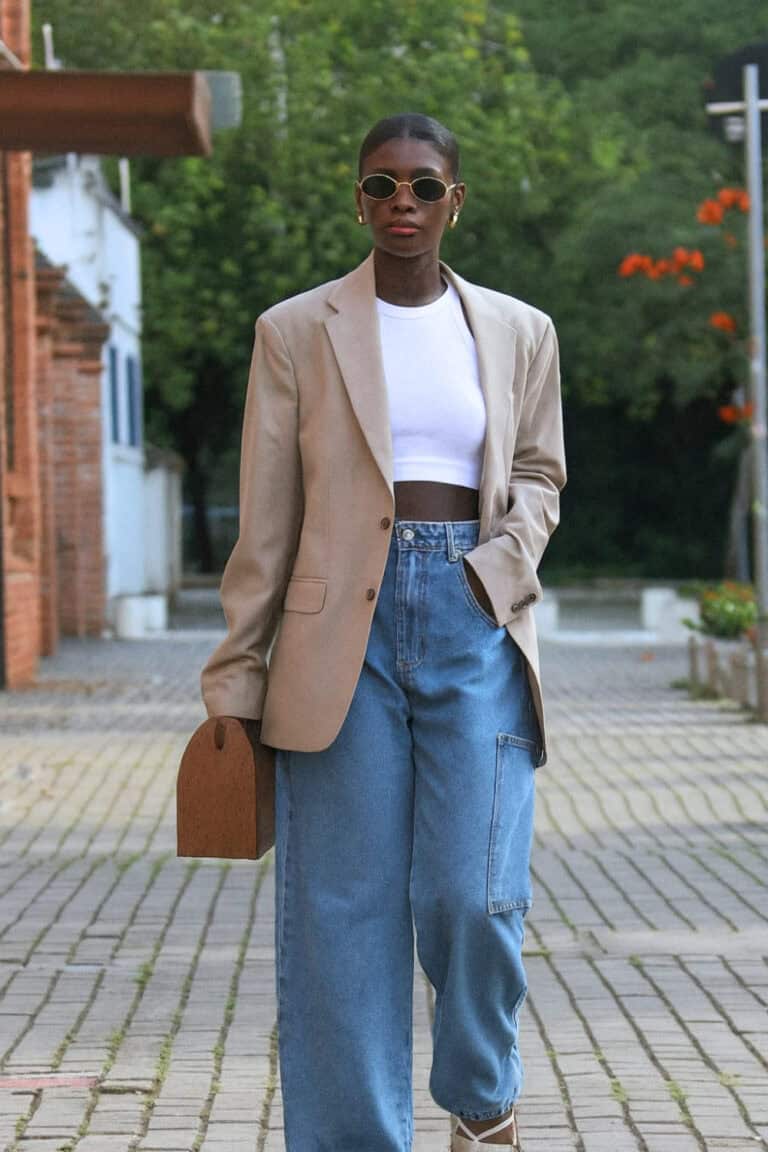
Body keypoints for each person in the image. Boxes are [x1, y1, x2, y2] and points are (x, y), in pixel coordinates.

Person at [200, 112, 566, 1152]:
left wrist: (497, 568)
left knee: (476, 893)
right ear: (357, 200)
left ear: (456, 198)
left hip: (475, 620)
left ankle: (482, 1098)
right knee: (343, 921)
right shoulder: (296, 331)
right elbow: (266, 519)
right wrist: (233, 683)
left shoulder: (518, 330)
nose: (400, 203)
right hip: (334, 644)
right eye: (379, 186)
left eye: (421, 184)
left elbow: (538, 472)